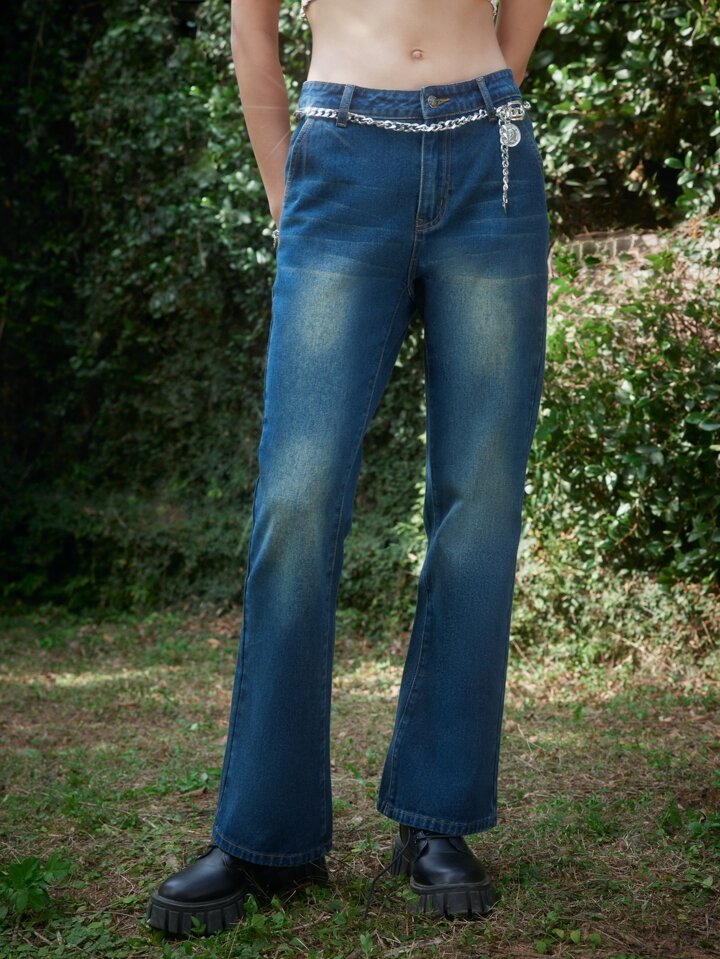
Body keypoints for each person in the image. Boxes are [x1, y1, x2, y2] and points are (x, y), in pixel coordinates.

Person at [147, 0, 554, 937]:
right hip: (341, 153)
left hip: (488, 164)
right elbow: (252, 28)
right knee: (296, 499)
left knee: (482, 499)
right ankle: (266, 836)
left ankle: (438, 817)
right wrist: (282, 190)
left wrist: (495, 93)